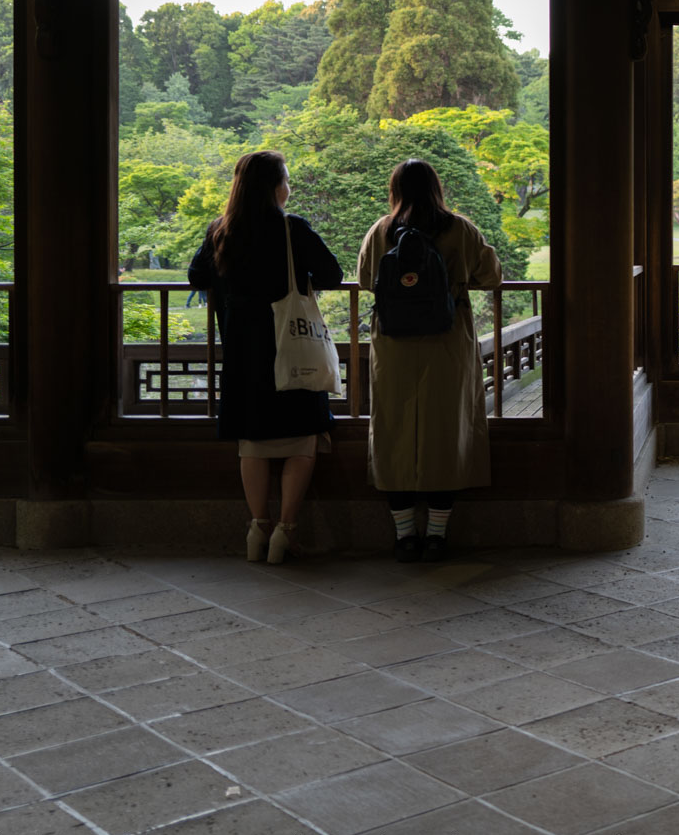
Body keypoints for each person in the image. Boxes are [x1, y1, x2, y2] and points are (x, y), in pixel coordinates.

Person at [187, 151, 342, 565]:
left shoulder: (221, 231)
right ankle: (286, 532)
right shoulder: (292, 230)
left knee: (251, 442)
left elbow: (197, 276)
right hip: (292, 349)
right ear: (276, 186)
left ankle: (258, 528)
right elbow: (332, 274)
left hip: (242, 353)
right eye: (286, 180)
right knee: (302, 438)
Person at [359, 159, 504, 562]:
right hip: (448, 341)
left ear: (395, 189)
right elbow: (492, 275)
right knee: (446, 432)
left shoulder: (382, 230)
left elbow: (365, 279)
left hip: (393, 345)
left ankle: (405, 536)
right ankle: (437, 534)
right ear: (437, 188)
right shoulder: (460, 228)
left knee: (393, 431)